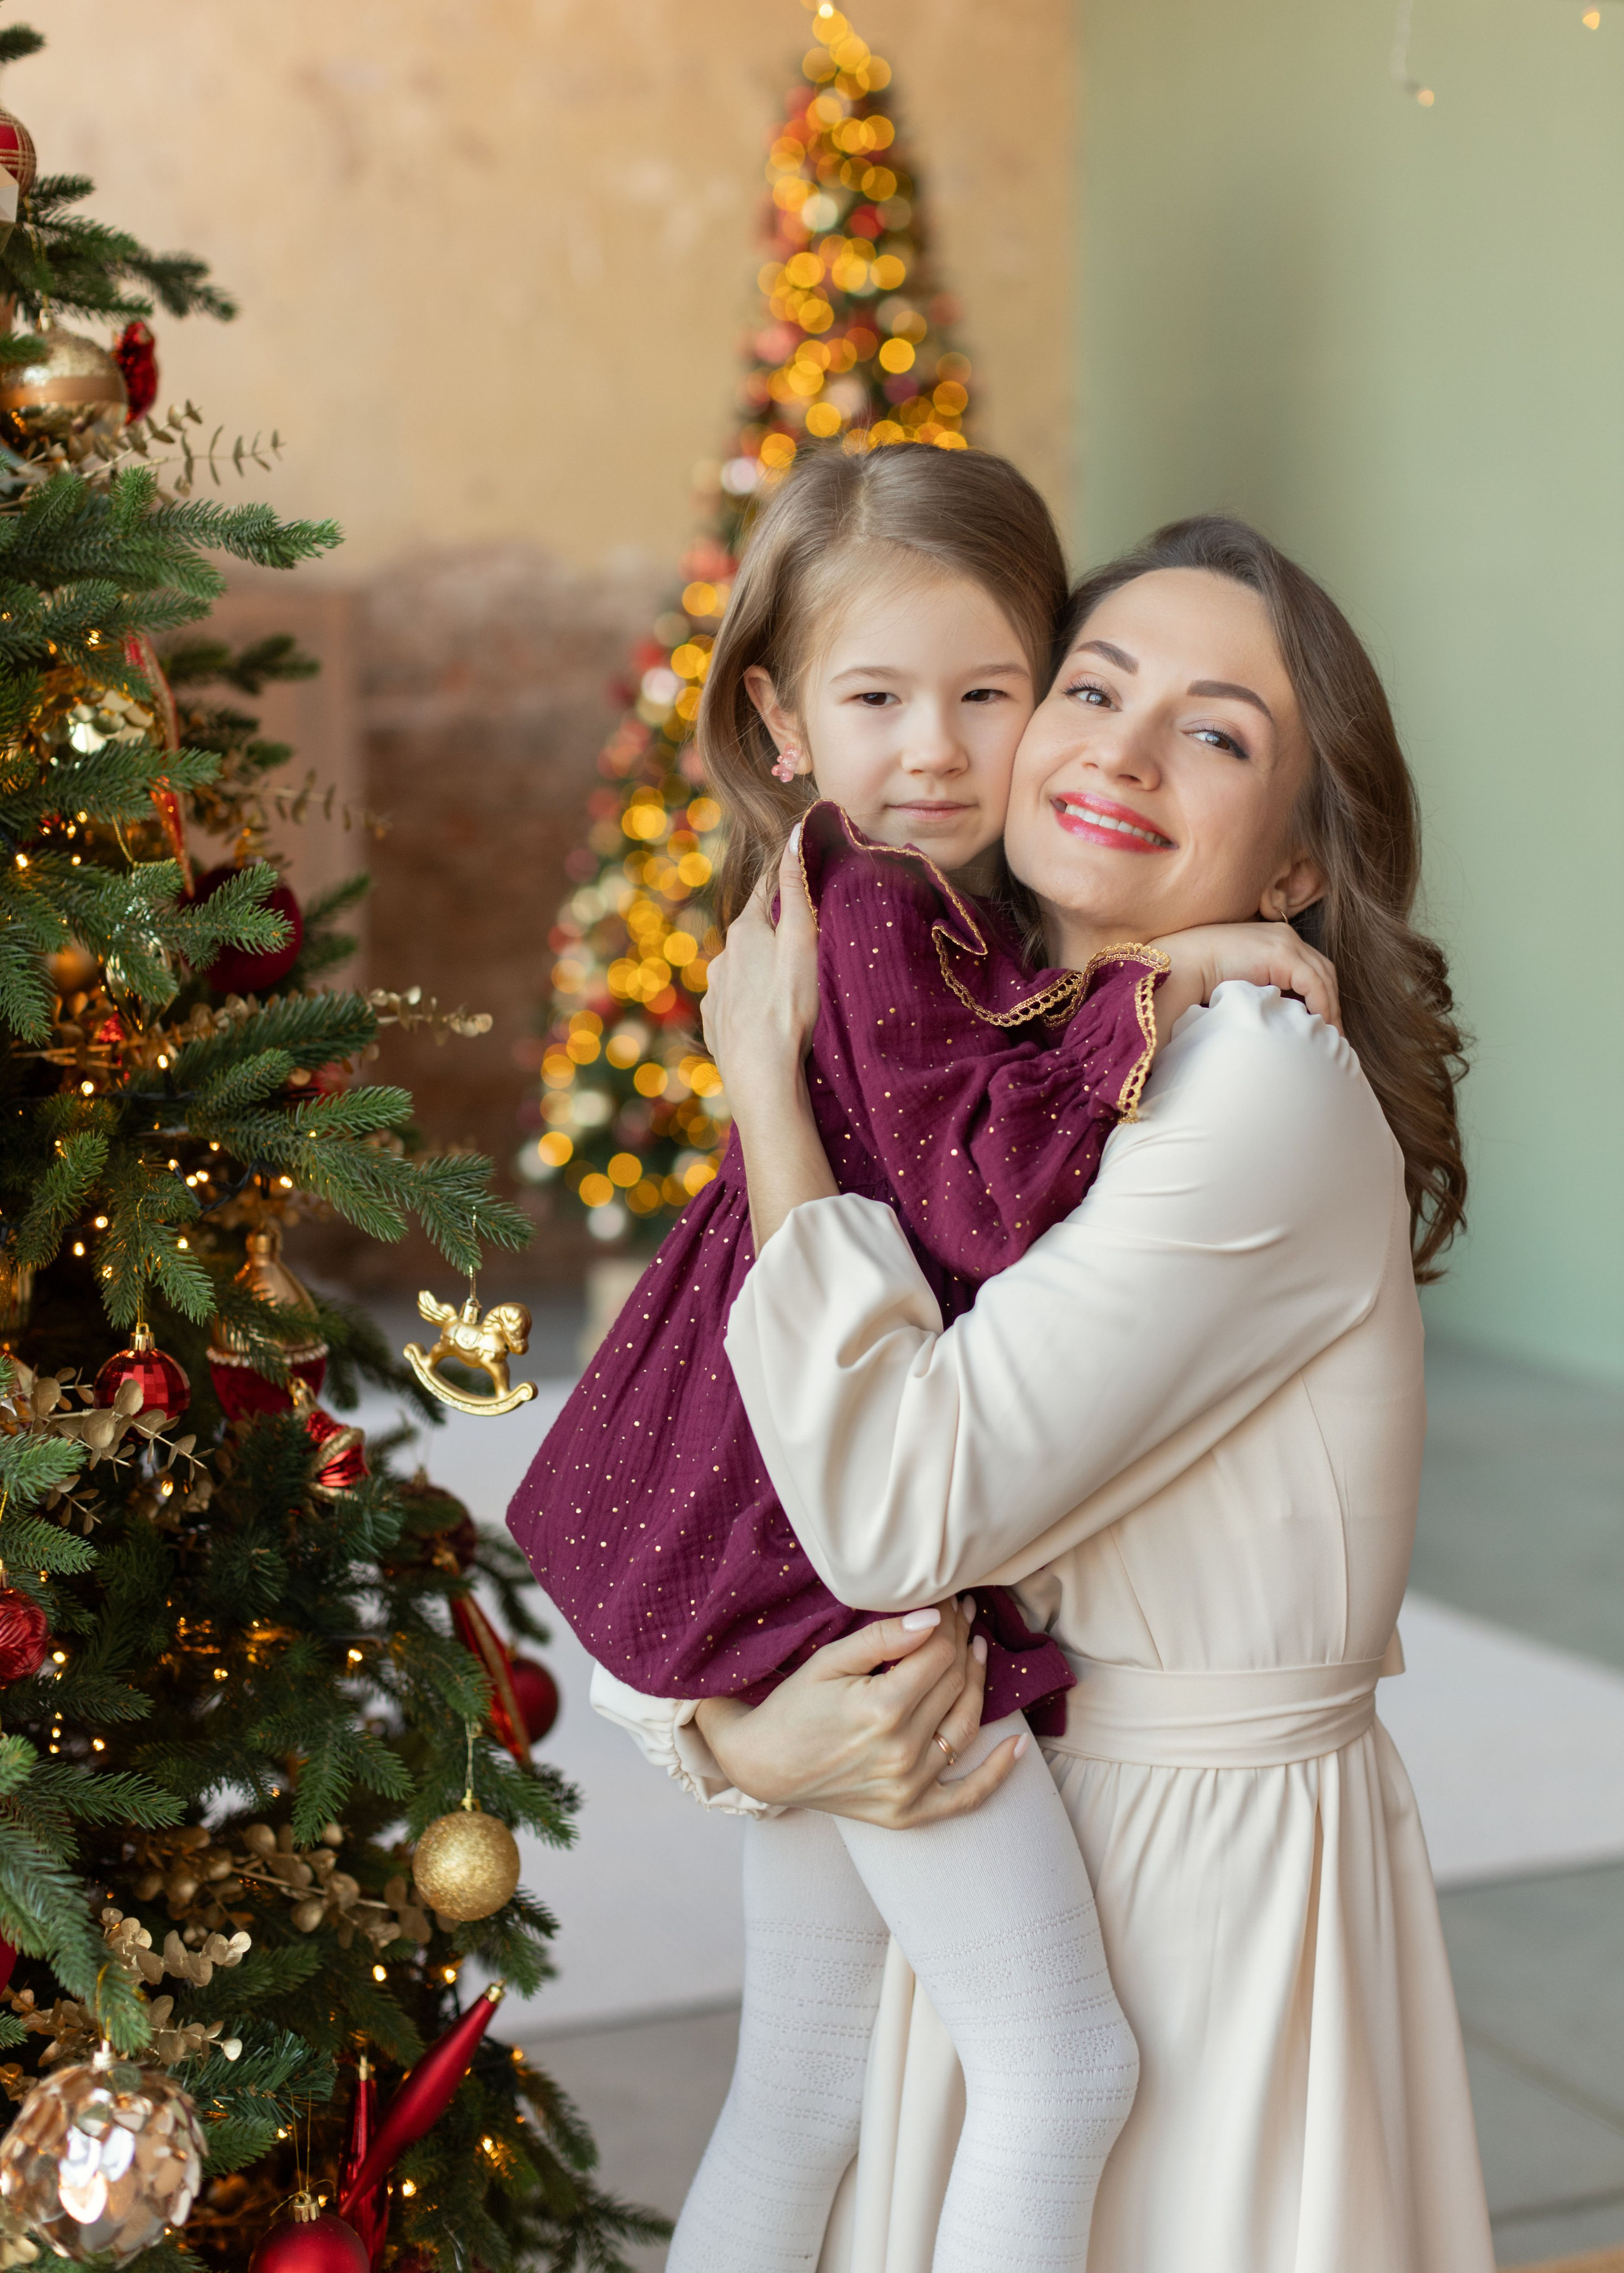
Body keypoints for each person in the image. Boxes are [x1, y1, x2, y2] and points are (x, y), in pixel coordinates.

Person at [508, 451, 1338, 2273]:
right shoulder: (879, 910)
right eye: (878, 701)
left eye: (992, 693)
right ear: (780, 722)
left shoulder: (910, 911)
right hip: (819, 1551)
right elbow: (978, 1189)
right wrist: (1185, 972)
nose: (942, 752)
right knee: (1061, 2070)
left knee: (806, 2076)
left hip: (787, 1527)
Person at [684, 514, 1495, 2273]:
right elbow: (682, 1465)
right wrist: (733, 1737)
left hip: (1186, 1880)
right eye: (1091, 685)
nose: (1119, 748)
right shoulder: (974, 1052)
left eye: (1213, 730)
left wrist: (763, 1092)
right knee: (822, 2101)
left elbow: (892, 1502)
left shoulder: (1256, 1087)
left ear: (1293, 867)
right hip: (990, 1788)